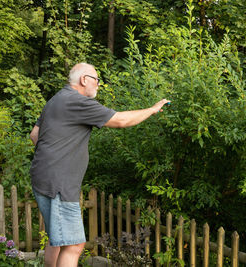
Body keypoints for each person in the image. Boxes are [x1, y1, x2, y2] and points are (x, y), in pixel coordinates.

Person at [29, 62, 169, 267]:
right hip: (59, 183)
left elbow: (35, 136)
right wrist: (153, 109)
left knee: (57, 239)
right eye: (96, 80)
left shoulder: (56, 100)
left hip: (43, 177)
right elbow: (120, 120)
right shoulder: (77, 102)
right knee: (74, 245)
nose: (98, 85)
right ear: (84, 80)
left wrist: (53, 155)